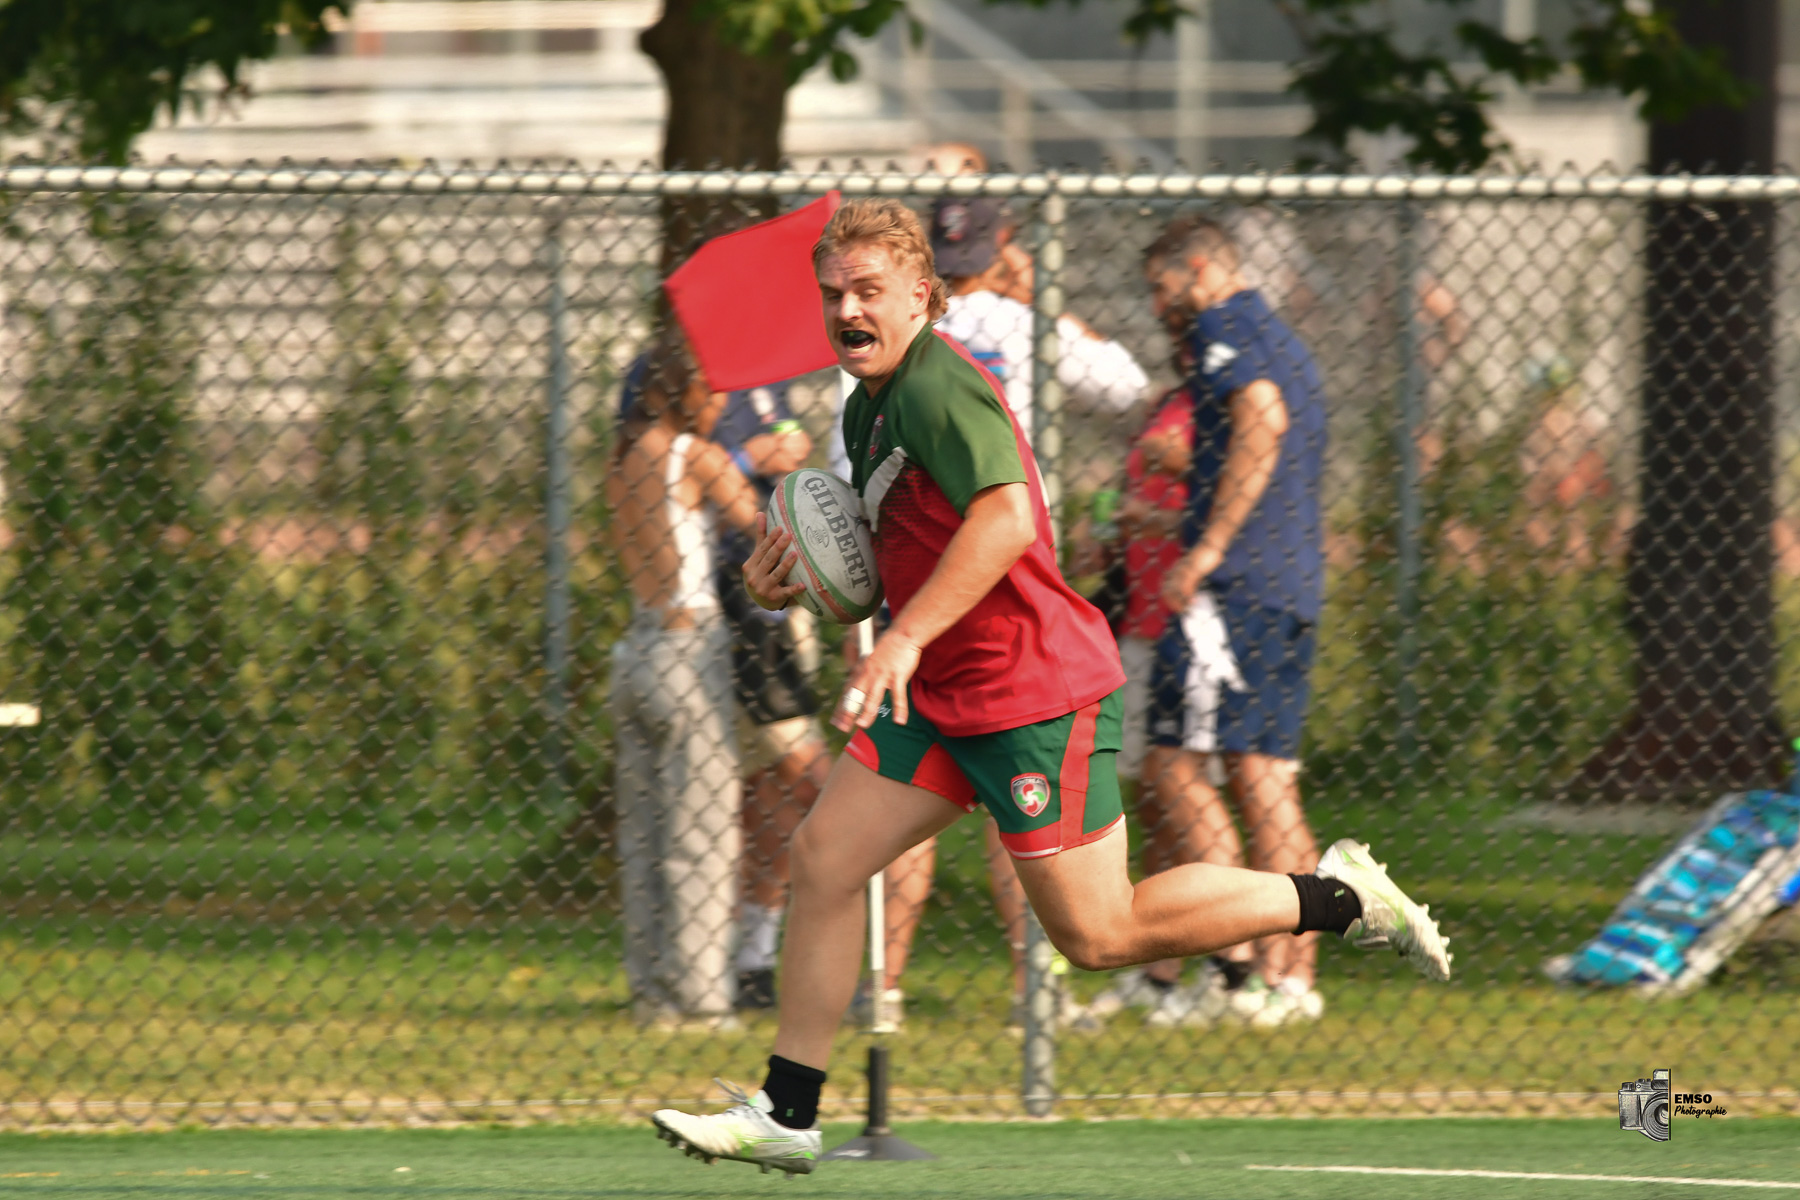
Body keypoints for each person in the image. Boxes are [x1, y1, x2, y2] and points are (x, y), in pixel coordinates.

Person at [649, 198, 1450, 1175]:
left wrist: (899, 641)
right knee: (823, 859)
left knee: (1099, 933)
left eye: (868, 291)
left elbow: (1007, 521)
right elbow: (880, 547)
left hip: (1035, 695)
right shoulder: (868, 404)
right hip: (945, 693)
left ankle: (1336, 897)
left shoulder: (944, 387)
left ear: (923, 298)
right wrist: (793, 572)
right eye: (833, 294)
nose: (846, 309)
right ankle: (788, 1111)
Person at [1138, 213, 1335, 1027]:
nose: (1159, 307)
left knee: (1175, 768)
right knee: (1263, 777)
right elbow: (1265, 455)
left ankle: (1240, 964)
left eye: (1160, 288)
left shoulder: (1224, 328)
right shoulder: (1281, 336)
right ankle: (1291, 981)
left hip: (1238, 589)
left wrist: (1207, 548)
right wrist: (1176, 523)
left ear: (1199, 272)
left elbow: (1262, 421)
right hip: (1288, 582)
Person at [606, 333, 761, 1031]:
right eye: (713, 390)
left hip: (635, 649)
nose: (723, 403)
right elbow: (762, 530)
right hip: (689, 649)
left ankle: (653, 993)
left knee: (643, 837)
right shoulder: (694, 457)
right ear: (680, 392)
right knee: (702, 836)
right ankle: (702, 998)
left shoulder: (621, 460)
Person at [708, 382, 834, 1010]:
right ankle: (719, 954)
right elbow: (665, 471)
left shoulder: (768, 379)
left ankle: (752, 959)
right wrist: (746, 460)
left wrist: (791, 459)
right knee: (804, 778)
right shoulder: (679, 376)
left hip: (782, 603)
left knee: (771, 795)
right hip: (723, 598)